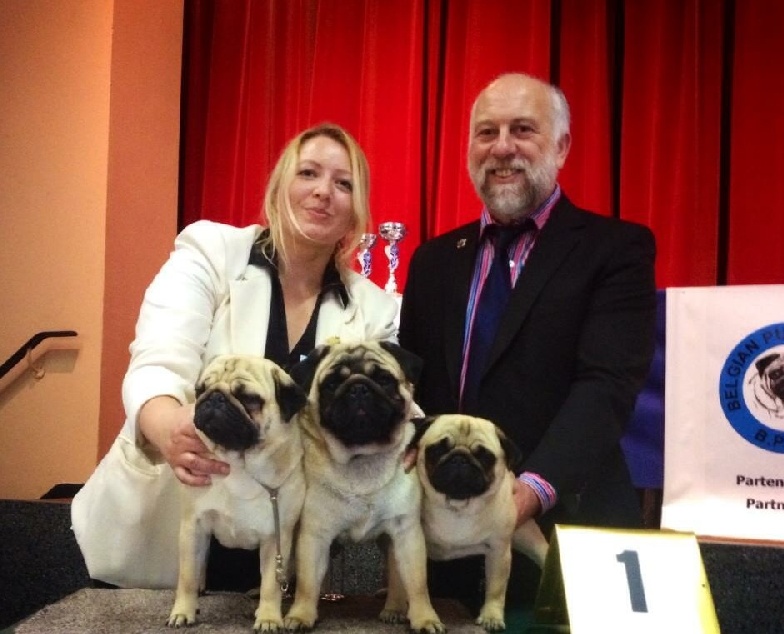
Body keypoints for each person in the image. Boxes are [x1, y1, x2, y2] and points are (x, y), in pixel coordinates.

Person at [71, 123, 400, 590]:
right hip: (169, 532)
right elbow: (159, 356)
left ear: (356, 213)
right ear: (279, 187)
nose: (323, 191)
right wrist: (166, 425)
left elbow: (390, 413)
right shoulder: (210, 251)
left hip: (283, 554)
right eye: (308, 173)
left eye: (343, 183)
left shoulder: (376, 309)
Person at [398, 73, 657, 615]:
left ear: (561, 147)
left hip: (566, 537)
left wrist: (528, 492)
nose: (502, 148)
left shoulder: (617, 250)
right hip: (445, 547)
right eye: (486, 132)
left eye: (522, 130)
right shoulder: (433, 260)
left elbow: (606, 387)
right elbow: (413, 389)